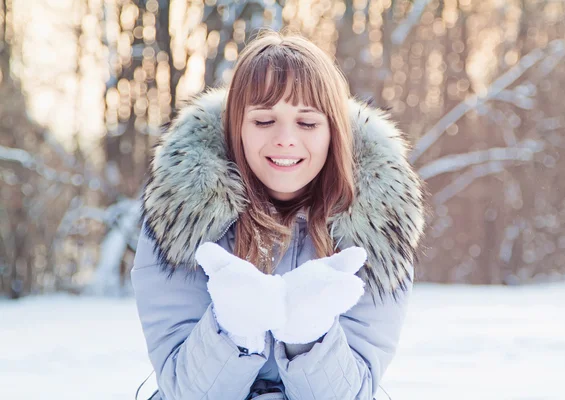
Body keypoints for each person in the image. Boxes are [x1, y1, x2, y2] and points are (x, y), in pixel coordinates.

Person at [131, 30, 425, 400]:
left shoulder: (377, 228)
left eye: (307, 123)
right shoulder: (181, 217)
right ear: (236, 127)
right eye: (264, 121)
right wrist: (233, 330)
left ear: (334, 132)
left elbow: (357, 392)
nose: (286, 139)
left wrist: (309, 338)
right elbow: (181, 390)